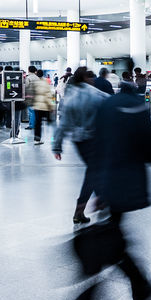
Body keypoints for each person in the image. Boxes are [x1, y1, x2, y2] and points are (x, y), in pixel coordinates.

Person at [54, 78, 151, 300]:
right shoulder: (129, 109)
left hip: (110, 184)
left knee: (117, 245)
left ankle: (143, 292)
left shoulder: (103, 107)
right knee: (103, 261)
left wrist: (99, 185)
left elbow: (98, 146)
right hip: (122, 188)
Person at [54, 68, 108, 225]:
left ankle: (101, 199)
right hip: (93, 138)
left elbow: (63, 123)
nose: (93, 80)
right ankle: (80, 210)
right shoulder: (94, 93)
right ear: (85, 78)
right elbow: (110, 105)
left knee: (94, 169)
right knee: (94, 172)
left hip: (78, 141)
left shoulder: (69, 95)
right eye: (90, 77)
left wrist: (57, 146)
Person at [28, 65, 55, 144]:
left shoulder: (35, 82)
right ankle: (55, 138)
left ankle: (37, 139)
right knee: (50, 122)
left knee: (38, 123)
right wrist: (51, 106)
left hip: (37, 106)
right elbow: (48, 95)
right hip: (44, 107)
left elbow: (31, 93)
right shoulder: (45, 82)